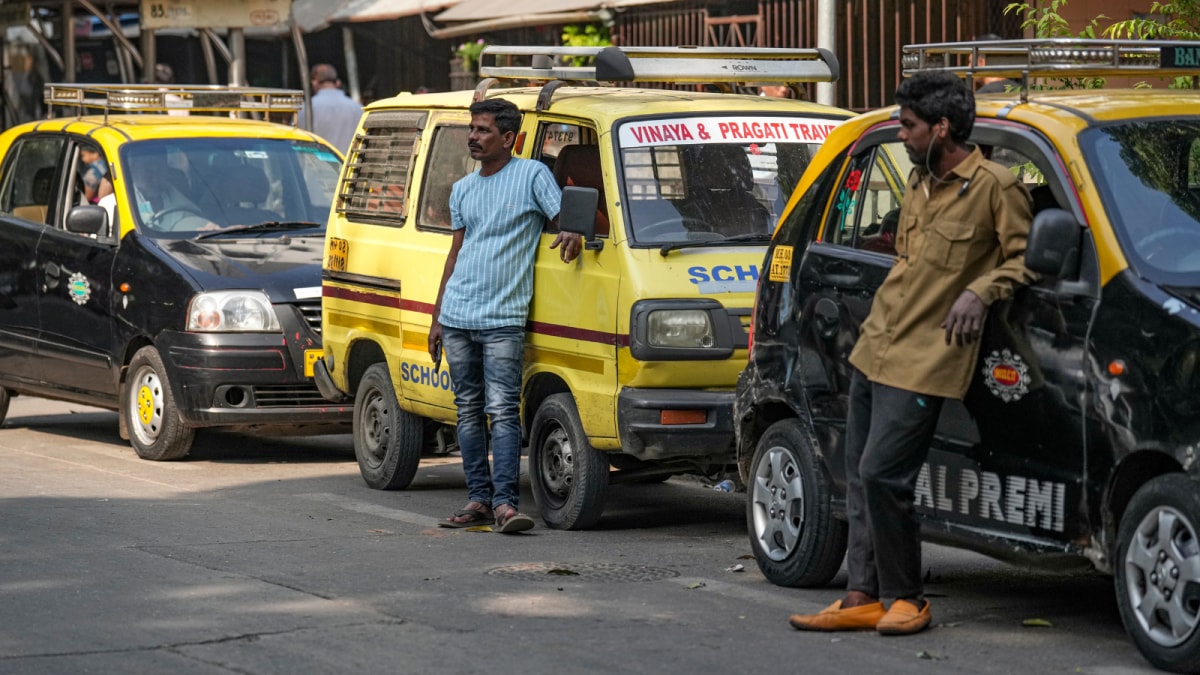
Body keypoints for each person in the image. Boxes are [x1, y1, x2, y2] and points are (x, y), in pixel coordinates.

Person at [787, 71, 1036, 635]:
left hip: (928, 357)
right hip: (876, 346)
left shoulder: (997, 186)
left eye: (909, 125)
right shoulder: (918, 185)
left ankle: (909, 598)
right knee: (857, 475)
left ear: (941, 128)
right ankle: (861, 596)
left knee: (882, 474)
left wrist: (980, 290)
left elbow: (1024, 261)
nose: (901, 134)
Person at [428, 98, 581, 534]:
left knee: (503, 411)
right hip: (458, 314)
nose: (473, 137)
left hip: (503, 318)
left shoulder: (532, 175)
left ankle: (506, 506)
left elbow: (561, 216)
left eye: (483, 130)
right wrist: (438, 317)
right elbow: (455, 253)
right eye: (472, 130)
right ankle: (477, 500)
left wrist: (570, 228)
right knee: (468, 410)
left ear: (509, 138)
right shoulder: (462, 189)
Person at [299, 64, 363, 155]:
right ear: (338, 83)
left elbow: (297, 141)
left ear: (314, 82)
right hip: (349, 166)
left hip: (318, 166)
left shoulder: (306, 109)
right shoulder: (357, 108)